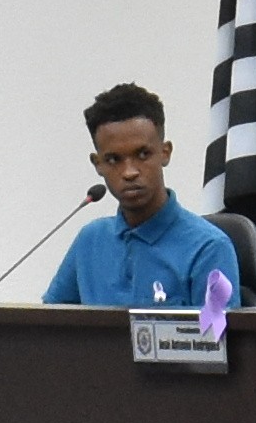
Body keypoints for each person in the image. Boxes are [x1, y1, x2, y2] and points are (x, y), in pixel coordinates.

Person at [38, 84, 242, 309]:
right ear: (98, 164)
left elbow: (216, 329)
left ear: (165, 153)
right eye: (113, 160)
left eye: (143, 154)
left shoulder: (209, 247)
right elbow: (50, 325)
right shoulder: (90, 240)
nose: (129, 172)